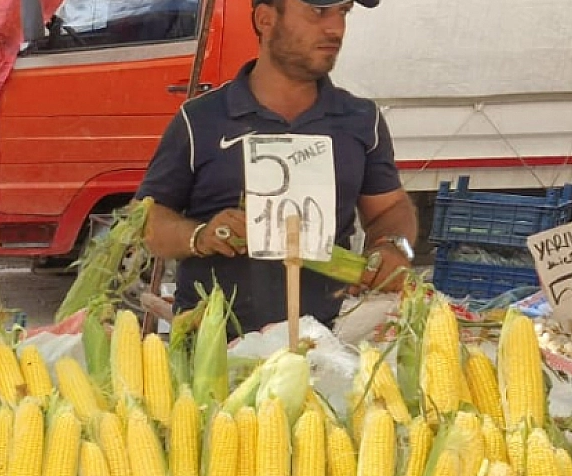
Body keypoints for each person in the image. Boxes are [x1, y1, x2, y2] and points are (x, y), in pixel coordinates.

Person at [137, 0, 417, 332]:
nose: (335, 28)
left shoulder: (362, 120)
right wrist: (200, 236)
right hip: (215, 345)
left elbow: (390, 208)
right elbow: (147, 220)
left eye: (343, 12)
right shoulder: (199, 120)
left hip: (325, 343)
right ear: (265, 19)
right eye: (317, 11)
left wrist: (393, 245)